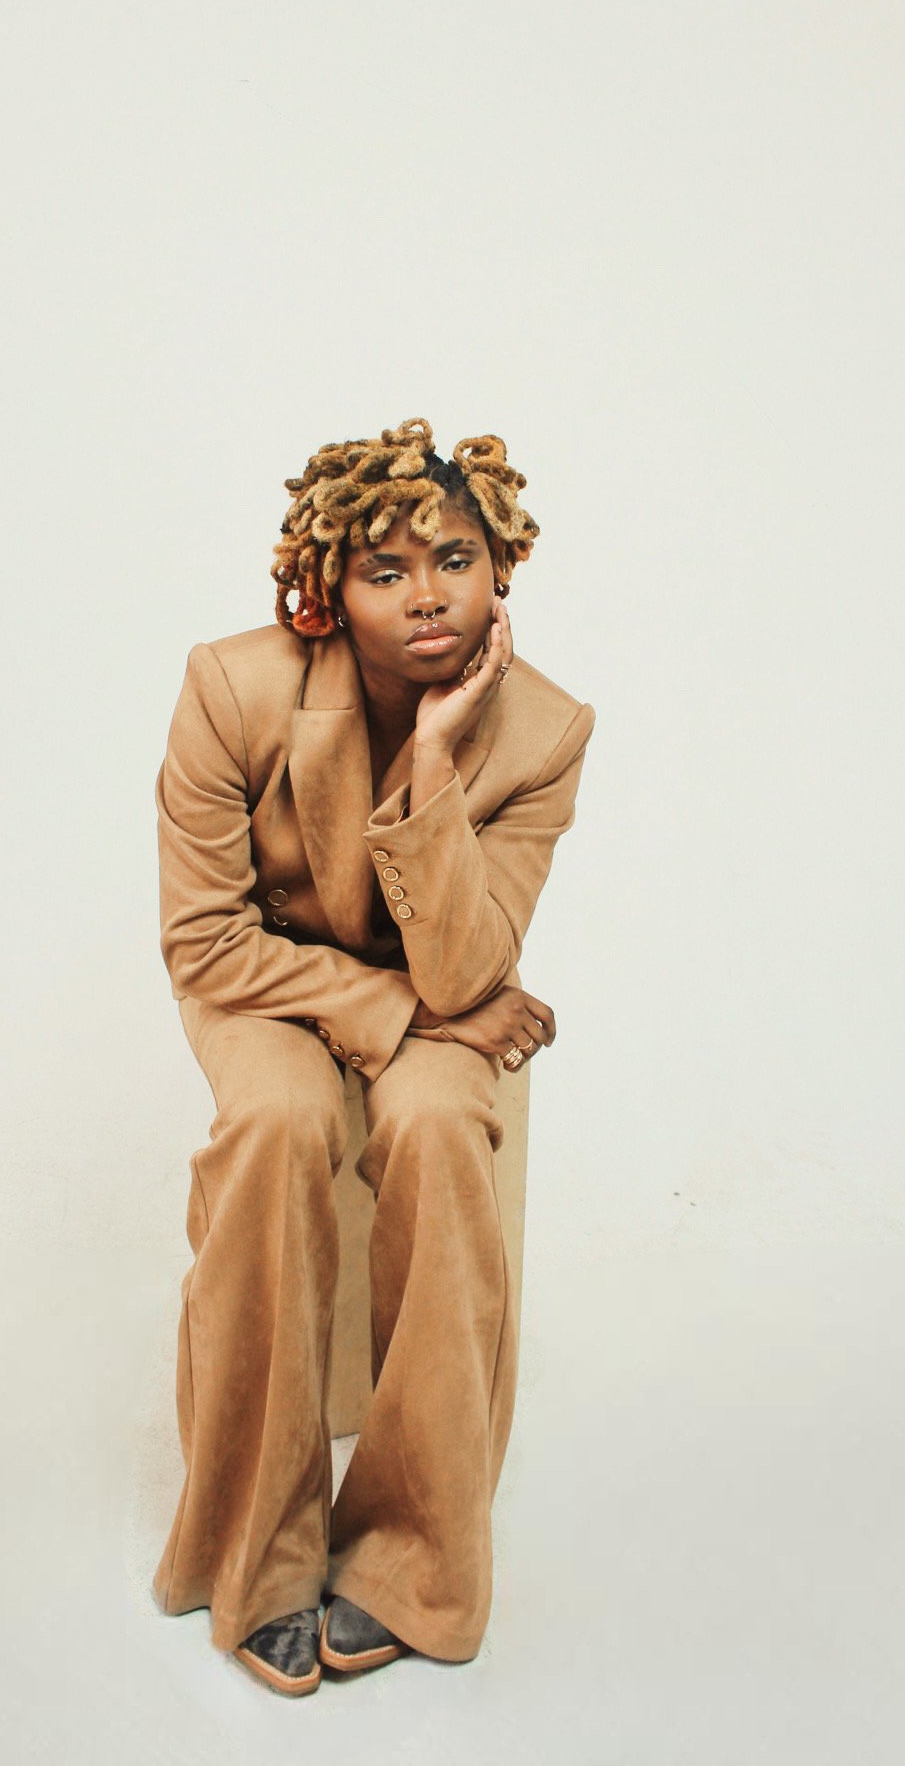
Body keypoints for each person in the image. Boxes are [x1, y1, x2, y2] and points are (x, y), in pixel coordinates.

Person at [149, 415, 596, 1696]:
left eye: (453, 560)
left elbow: (466, 969)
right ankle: (257, 1551)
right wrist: (393, 1012)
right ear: (326, 592)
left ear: (498, 567)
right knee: (277, 1127)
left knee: (442, 1128)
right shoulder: (231, 689)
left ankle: (413, 1560)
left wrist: (438, 756)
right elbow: (204, 944)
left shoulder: (543, 731)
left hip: (440, 995)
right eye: (384, 571)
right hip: (267, 987)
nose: (426, 596)